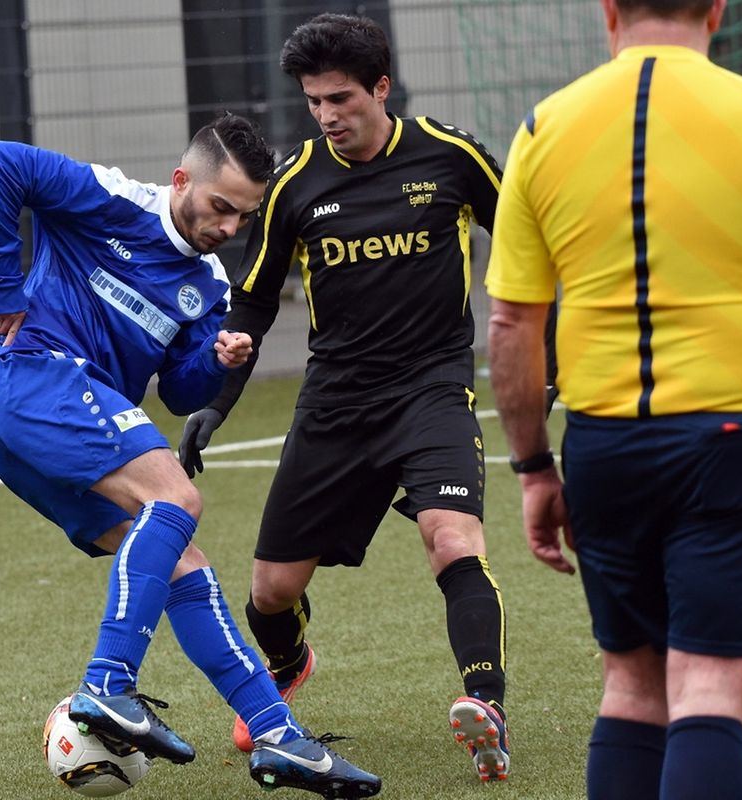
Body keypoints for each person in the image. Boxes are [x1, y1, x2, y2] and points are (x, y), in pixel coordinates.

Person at [484, 2, 742, 799]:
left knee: (631, 688)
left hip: (604, 444)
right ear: (717, 8)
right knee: (709, 693)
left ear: (607, 10)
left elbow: (509, 322)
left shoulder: (541, 129)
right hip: (737, 440)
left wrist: (531, 466)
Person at [0, 114, 381, 798]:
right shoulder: (113, 199)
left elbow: (180, 394)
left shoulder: (209, 287)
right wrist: (2, 286)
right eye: (219, 207)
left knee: (186, 562)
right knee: (176, 498)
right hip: (33, 376)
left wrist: (216, 361)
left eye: (242, 217)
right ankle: (106, 684)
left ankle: (277, 736)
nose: (228, 228)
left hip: (39, 420)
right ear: (182, 181)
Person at [179, 14, 512, 783]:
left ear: (381, 88)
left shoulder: (452, 157)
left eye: (340, 98)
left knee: (451, 538)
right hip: (334, 402)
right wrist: (214, 404)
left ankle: (485, 707)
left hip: (431, 389)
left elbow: (525, 244)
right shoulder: (295, 183)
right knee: (269, 591)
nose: (326, 115)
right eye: (313, 102)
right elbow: (252, 302)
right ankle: (289, 662)